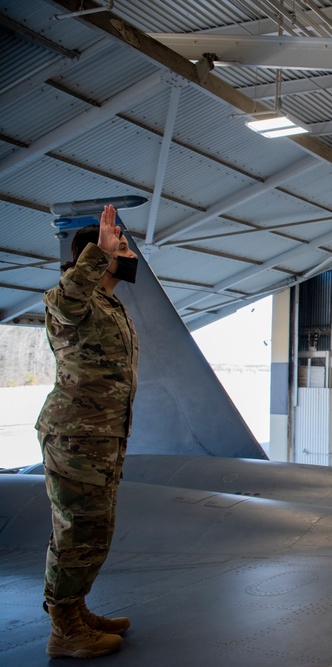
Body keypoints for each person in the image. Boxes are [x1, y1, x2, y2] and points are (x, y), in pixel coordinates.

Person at [35, 205, 140, 658]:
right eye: (123, 247)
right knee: (75, 531)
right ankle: (64, 629)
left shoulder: (109, 305)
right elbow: (65, 299)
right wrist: (99, 250)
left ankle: (76, 610)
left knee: (96, 530)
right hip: (75, 438)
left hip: (101, 438)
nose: (130, 253)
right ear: (95, 256)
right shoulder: (70, 302)